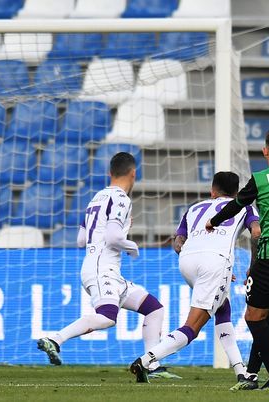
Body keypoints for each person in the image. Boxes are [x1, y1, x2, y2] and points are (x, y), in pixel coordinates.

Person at [36, 152, 176, 379]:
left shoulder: (96, 198)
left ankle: (151, 364)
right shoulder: (121, 199)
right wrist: (132, 246)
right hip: (103, 268)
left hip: (104, 268)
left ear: (110, 173)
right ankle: (54, 339)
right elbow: (112, 237)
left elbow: (81, 240)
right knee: (107, 317)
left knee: (154, 308)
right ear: (133, 173)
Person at [130, 172, 260, 383]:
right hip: (215, 262)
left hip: (187, 261)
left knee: (223, 307)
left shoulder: (194, 208)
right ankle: (147, 360)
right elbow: (256, 232)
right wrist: (249, 267)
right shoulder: (244, 206)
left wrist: (212, 266)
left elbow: (178, 242)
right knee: (192, 327)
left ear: (212, 190)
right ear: (237, 192)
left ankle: (240, 371)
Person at [206, 126, 269, 391]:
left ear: (265, 151)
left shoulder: (260, 178)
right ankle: (250, 374)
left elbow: (237, 204)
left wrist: (213, 221)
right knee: (264, 312)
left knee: (253, 317)